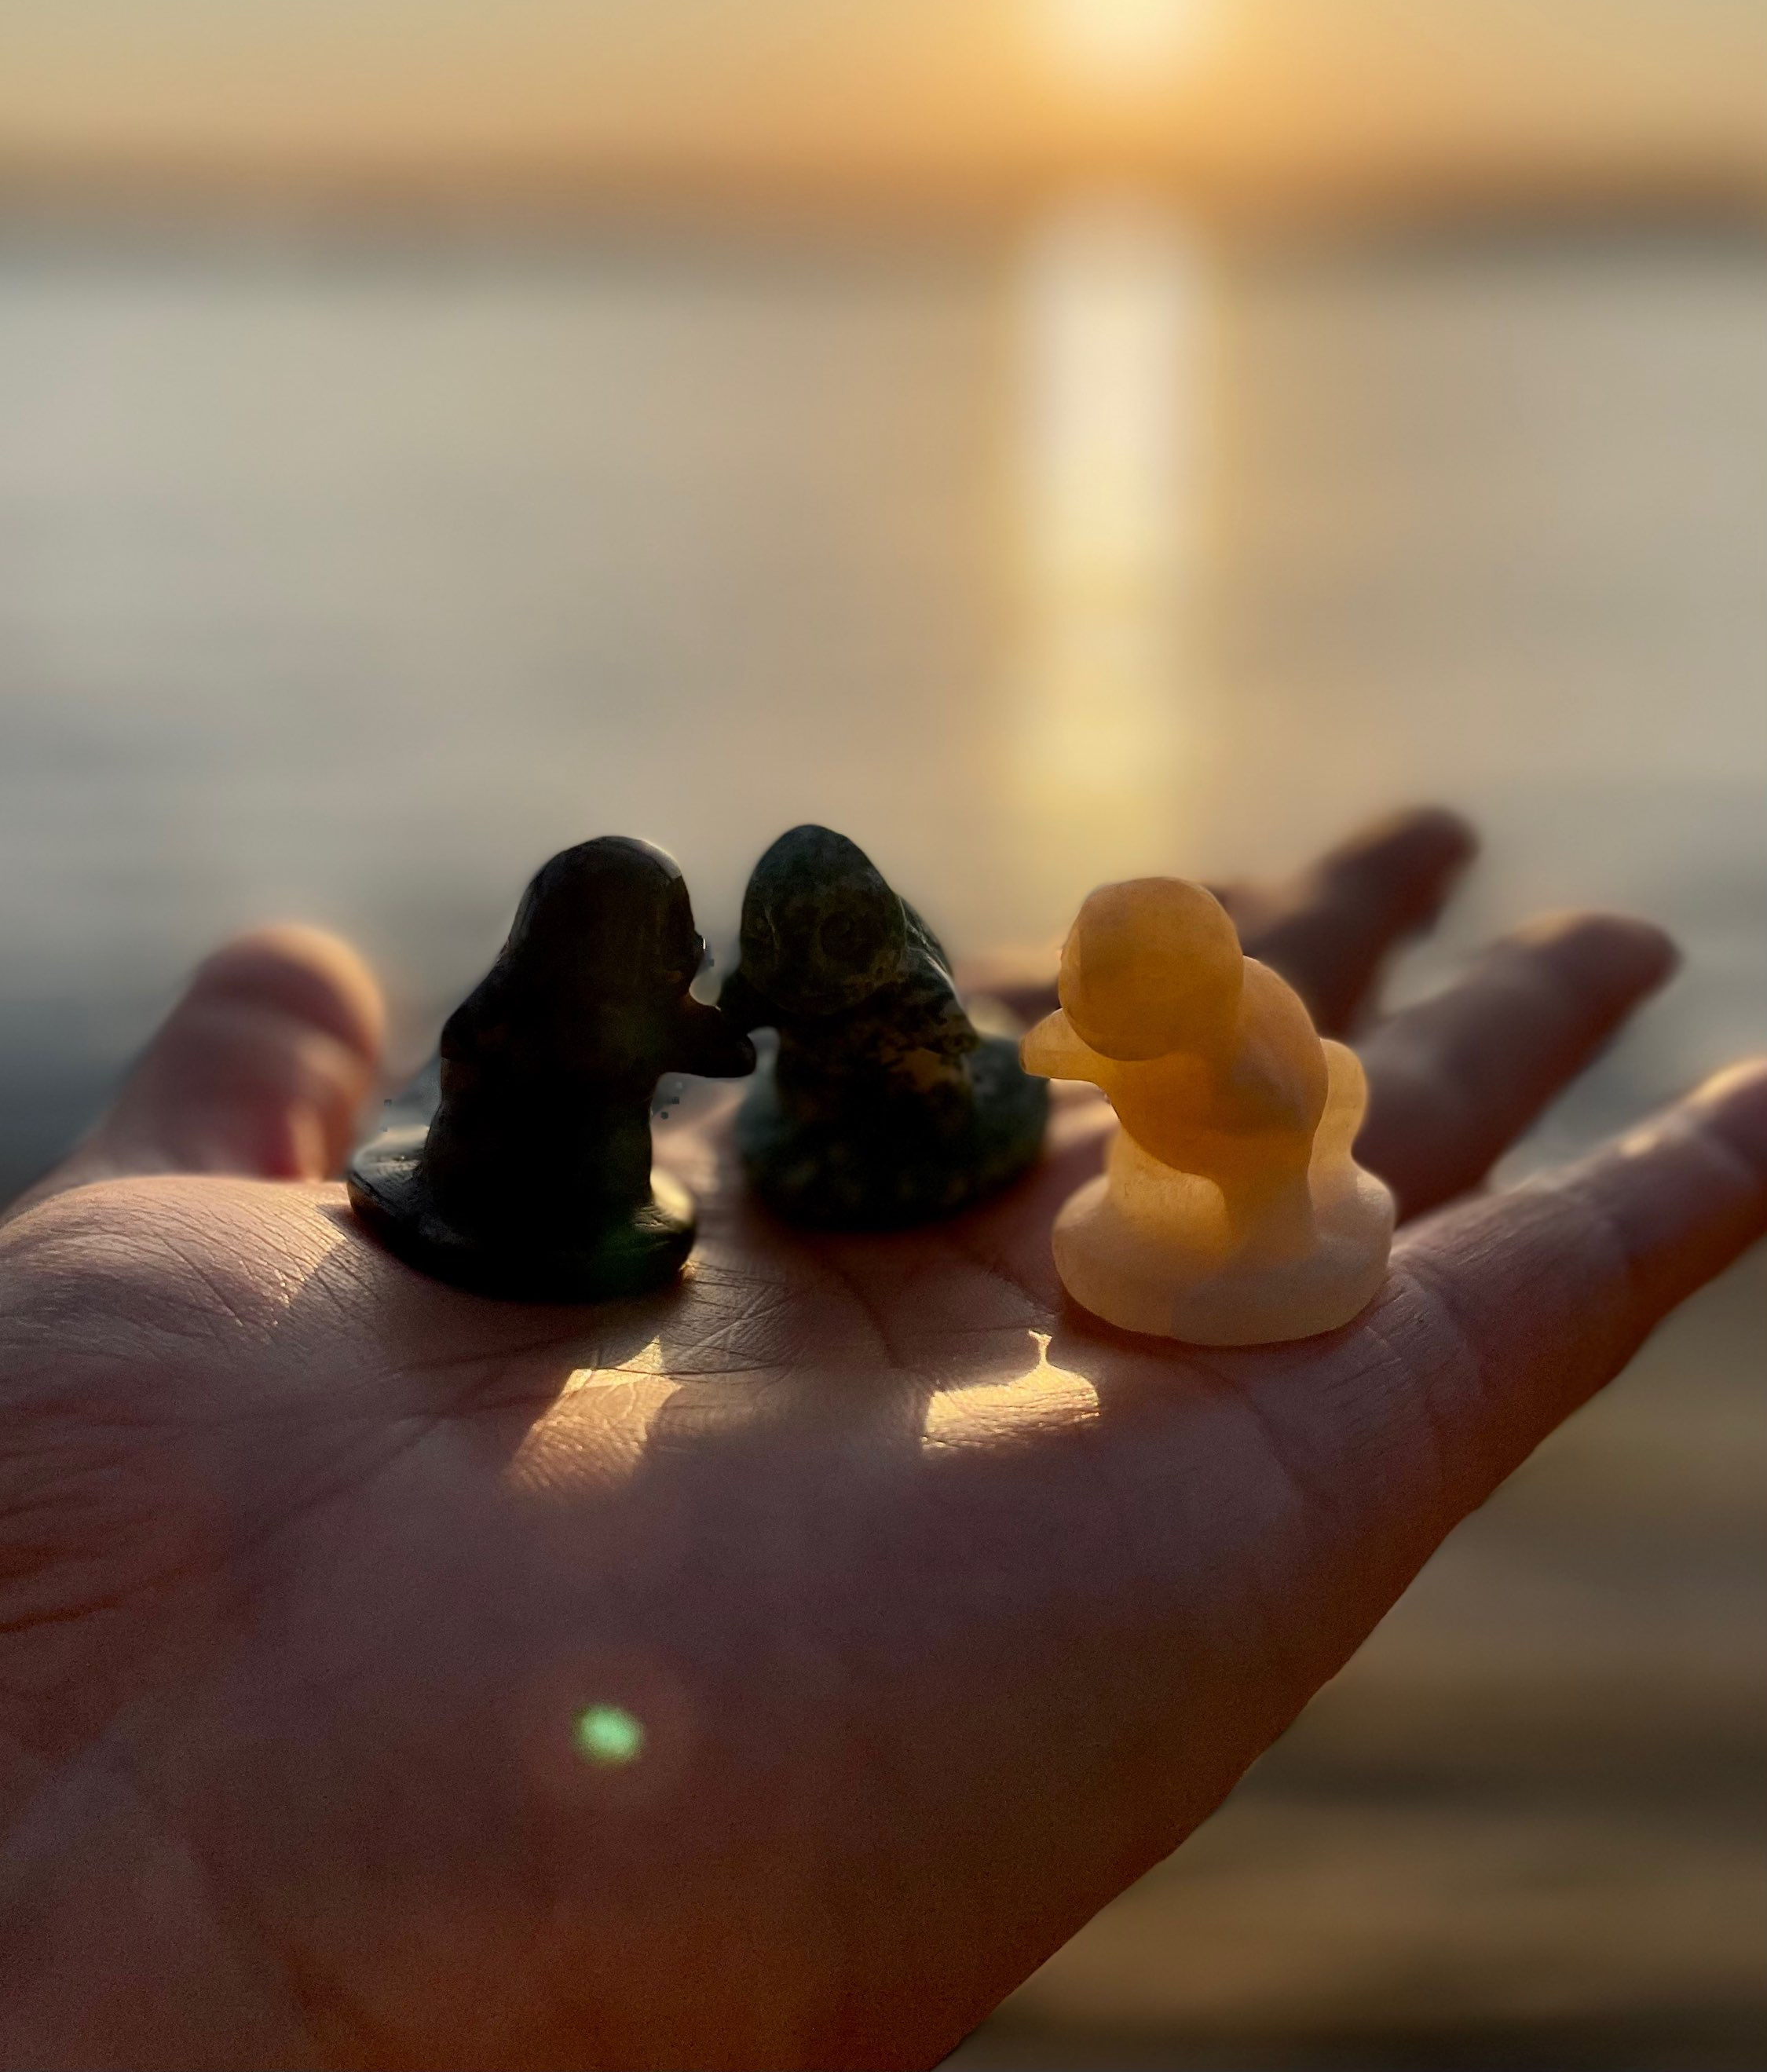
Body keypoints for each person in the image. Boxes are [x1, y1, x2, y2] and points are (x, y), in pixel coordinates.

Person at [0, 809, 1760, 2072]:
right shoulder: (555, 1036)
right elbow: (831, 1035)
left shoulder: (1232, 1069)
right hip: (582, 1192)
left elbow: (1233, 1099)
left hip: (1103, 1166)